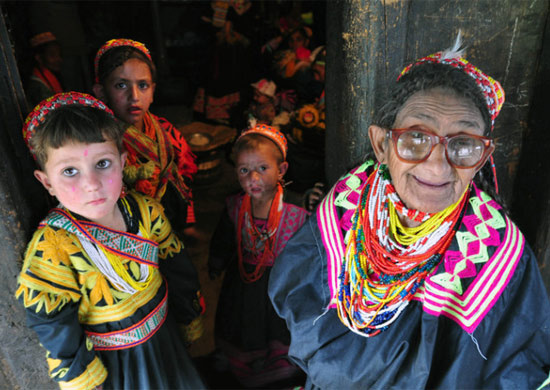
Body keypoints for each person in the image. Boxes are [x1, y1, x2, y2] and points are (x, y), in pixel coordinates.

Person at [268, 37, 550, 389]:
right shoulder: (346, 205)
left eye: (463, 144)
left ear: (482, 156)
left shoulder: (497, 252)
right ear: (382, 145)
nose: (436, 163)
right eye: (416, 137)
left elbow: (517, 370)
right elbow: (296, 299)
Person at [15, 92, 205, 389]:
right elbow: (53, 321)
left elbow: (177, 268)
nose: (91, 184)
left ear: (123, 161)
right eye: (70, 171)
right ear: (47, 182)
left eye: (103, 164)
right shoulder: (53, 247)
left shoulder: (148, 212)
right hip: (116, 365)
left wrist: (188, 317)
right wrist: (84, 378)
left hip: (166, 339)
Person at [208, 124, 309, 388]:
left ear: (282, 170)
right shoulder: (234, 206)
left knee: (278, 329)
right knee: (242, 325)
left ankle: (281, 369)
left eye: (262, 168)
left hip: (282, 286)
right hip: (243, 284)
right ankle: (243, 364)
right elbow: (223, 239)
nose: (253, 177)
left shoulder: (297, 209)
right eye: (244, 170)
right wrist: (216, 263)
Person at [92, 39, 198, 236]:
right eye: (121, 85)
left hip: (170, 229)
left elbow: (184, 179)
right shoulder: (96, 144)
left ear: (153, 92)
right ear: (101, 92)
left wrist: (187, 224)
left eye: (143, 85)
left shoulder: (167, 133)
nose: (134, 96)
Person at [26, 31, 64, 108]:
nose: (59, 59)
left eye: (59, 55)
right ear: (39, 58)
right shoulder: (37, 85)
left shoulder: (53, 77)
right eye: (52, 55)